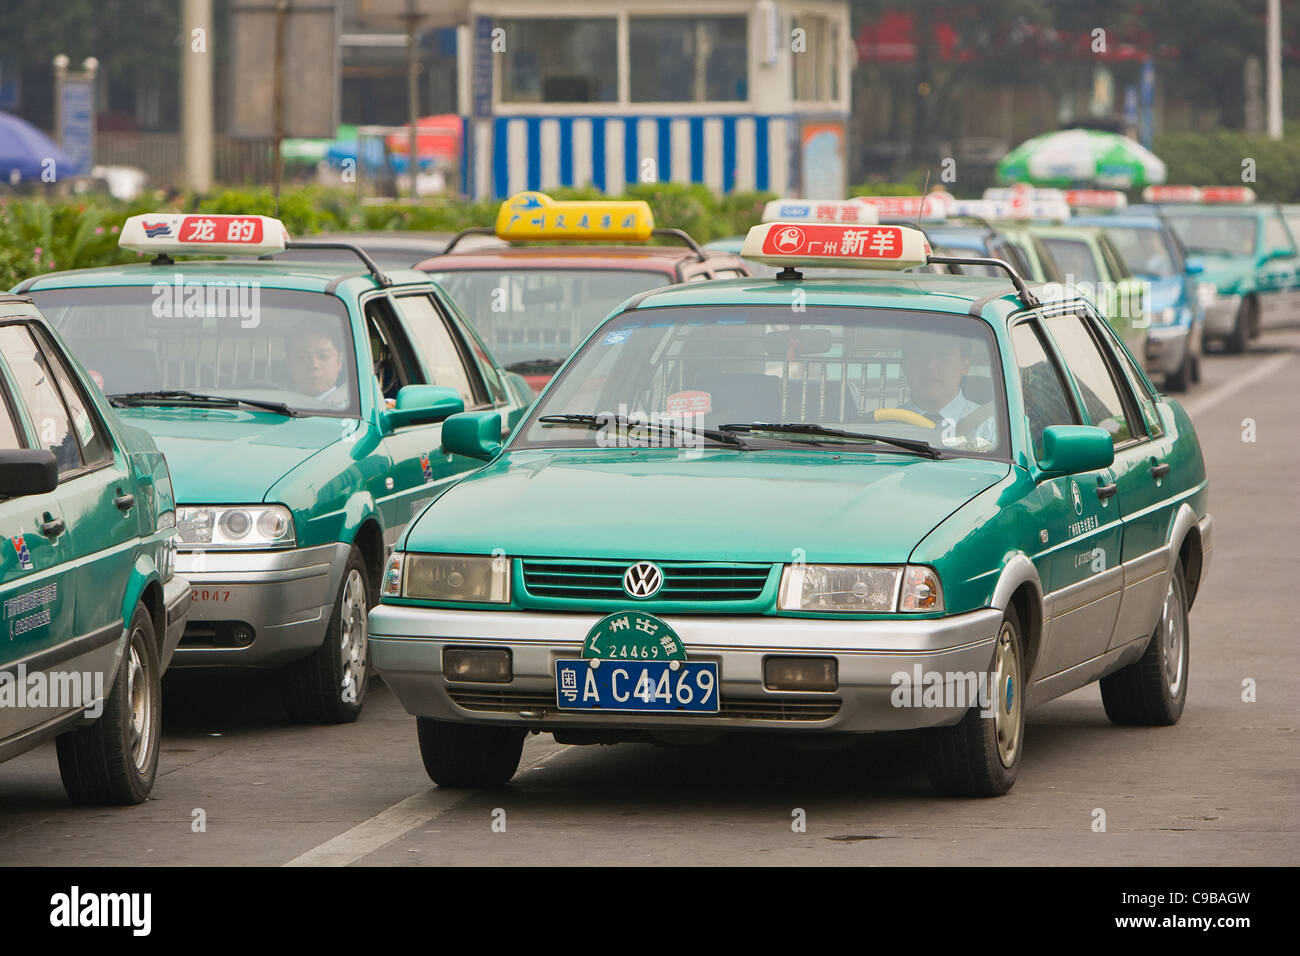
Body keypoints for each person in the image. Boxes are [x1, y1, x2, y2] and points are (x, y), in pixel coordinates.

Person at [899, 331, 998, 449]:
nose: (931, 366)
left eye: (943, 355)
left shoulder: (992, 430)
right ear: (904, 365)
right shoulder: (885, 425)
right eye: (919, 354)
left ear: (965, 365)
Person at [288, 327, 350, 409]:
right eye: (303, 357)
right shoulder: (276, 407)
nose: (314, 365)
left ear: (339, 361)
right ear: (289, 363)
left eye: (323, 356)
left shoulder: (352, 412)